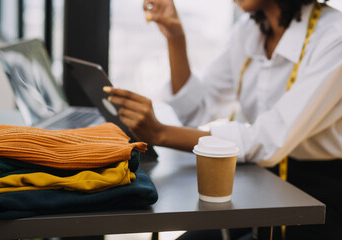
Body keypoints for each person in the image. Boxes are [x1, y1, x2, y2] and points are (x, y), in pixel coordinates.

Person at [104, 0, 342, 239]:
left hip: (321, 196)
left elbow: (266, 141)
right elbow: (198, 111)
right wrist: (175, 37)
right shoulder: (250, 31)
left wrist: (160, 133)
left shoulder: (335, 37)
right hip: (264, 183)